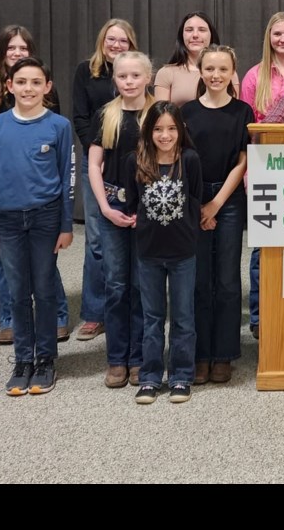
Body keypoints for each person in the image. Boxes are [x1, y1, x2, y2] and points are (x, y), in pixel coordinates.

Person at [0, 57, 75, 396]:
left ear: (47, 87)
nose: (28, 88)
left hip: (45, 218)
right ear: (9, 86)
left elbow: (66, 178)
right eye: (21, 82)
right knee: (17, 292)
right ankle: (23, 359)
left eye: (36, 82)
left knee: (45, 289)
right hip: (6, 219)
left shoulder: (59, 126)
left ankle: (46, 358)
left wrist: (66, 223)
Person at [0, 25, 70, 345]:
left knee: (44, 260)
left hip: (40, 189)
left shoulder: (44, 91)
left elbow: (57, 144)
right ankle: (10, 320)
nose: (16, 52)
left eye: (23, 48)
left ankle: (56, 317)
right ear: (2, 53)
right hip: (0, 181)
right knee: (5, 258)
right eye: (11, 48)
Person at [182, 45, 254, 385]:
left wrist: (216, 204)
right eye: (209, 68)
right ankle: (200, 353)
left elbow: (243, 161)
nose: (215, 75)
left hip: (229, 200)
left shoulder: (243, 111)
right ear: (200, 70)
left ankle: (223, 354)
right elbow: (181, 160)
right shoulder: (186, 113)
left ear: (232, 72)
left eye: (222, 69)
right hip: (193, 198)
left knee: (226, 279)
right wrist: (199, 204)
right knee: (199, 279)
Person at [126, 101, 203, 405]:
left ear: (181, 130)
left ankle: (182, 374)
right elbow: (133, 205)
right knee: (153, 317)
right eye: (158, 129)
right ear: (148, 131)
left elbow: (195, 200)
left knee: (183, 317)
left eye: (171, 128)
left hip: (183, 252)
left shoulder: (191, 160)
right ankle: (150, 377)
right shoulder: (136, 161)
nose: (165, 135)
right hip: (148, 253)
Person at [88, 50, 156, 389]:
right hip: (113, 207)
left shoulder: (158, 114)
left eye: (135, 76)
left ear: (148, 77)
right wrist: (104, 207)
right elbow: (93, 165)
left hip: (149, 209)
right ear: (114, 79)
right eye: (122, 76)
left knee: (142, 286)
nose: (129, 82)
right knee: (116, 286)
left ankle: (140, 358)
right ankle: (117, 358)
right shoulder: (107, 115)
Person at [71, 18, 141, 342]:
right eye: (111, 39)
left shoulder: (137, 76)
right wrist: (98, 149)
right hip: (98, 160)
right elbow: (81, 117)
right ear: (102, 41)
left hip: (132, 164)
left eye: (123, 40)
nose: (116, 45)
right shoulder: (86, 71)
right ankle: (94, 313)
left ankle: (131, 312)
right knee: (97, 238)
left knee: (133, 239)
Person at [241, 12, 284, 339]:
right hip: (265, 166)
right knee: (264, 245)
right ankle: (260, 315)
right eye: (277, 34)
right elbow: (246, 126)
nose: (283, 39)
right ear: (269, 37)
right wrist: (249, 170)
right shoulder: (254, 75)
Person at [153, 11, 239, 106]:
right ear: (182, 35)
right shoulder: (166, 73)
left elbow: (234, 110)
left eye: (202, 30)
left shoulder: (229, 73)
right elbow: (161, 117)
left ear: (211, 34)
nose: (195, 35)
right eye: (189, 30)